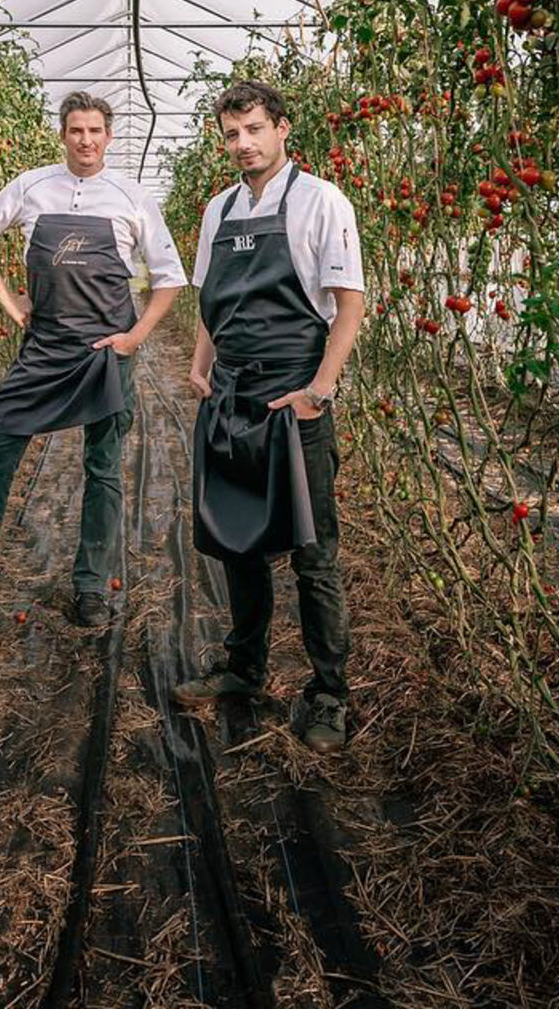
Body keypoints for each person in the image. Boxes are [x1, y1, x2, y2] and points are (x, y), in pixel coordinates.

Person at [0, 92, 187, 627]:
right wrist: (10, 301)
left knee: (103, 468)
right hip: (45, 346)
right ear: (62, 134)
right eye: (76, 130)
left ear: (109, 137)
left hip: (104, 352)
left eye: (95, 131)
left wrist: (134, 338)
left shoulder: (131, 197)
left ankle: (91, 587)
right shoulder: (32, 186)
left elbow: (169, 276)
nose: (86, 140)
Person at [175, 79, 365, 753]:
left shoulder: (320, 201)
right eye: (232, 134)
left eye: (254, 129)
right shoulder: (219, 210)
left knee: (313, 554)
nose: (244, 144)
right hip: (230, 395)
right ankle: (244, 668)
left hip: (292, 400)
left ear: (282, 128)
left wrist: (319, 391)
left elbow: (348, 303)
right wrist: (201, 364)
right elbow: (211, 301)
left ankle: (329, 693)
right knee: (238, 542)